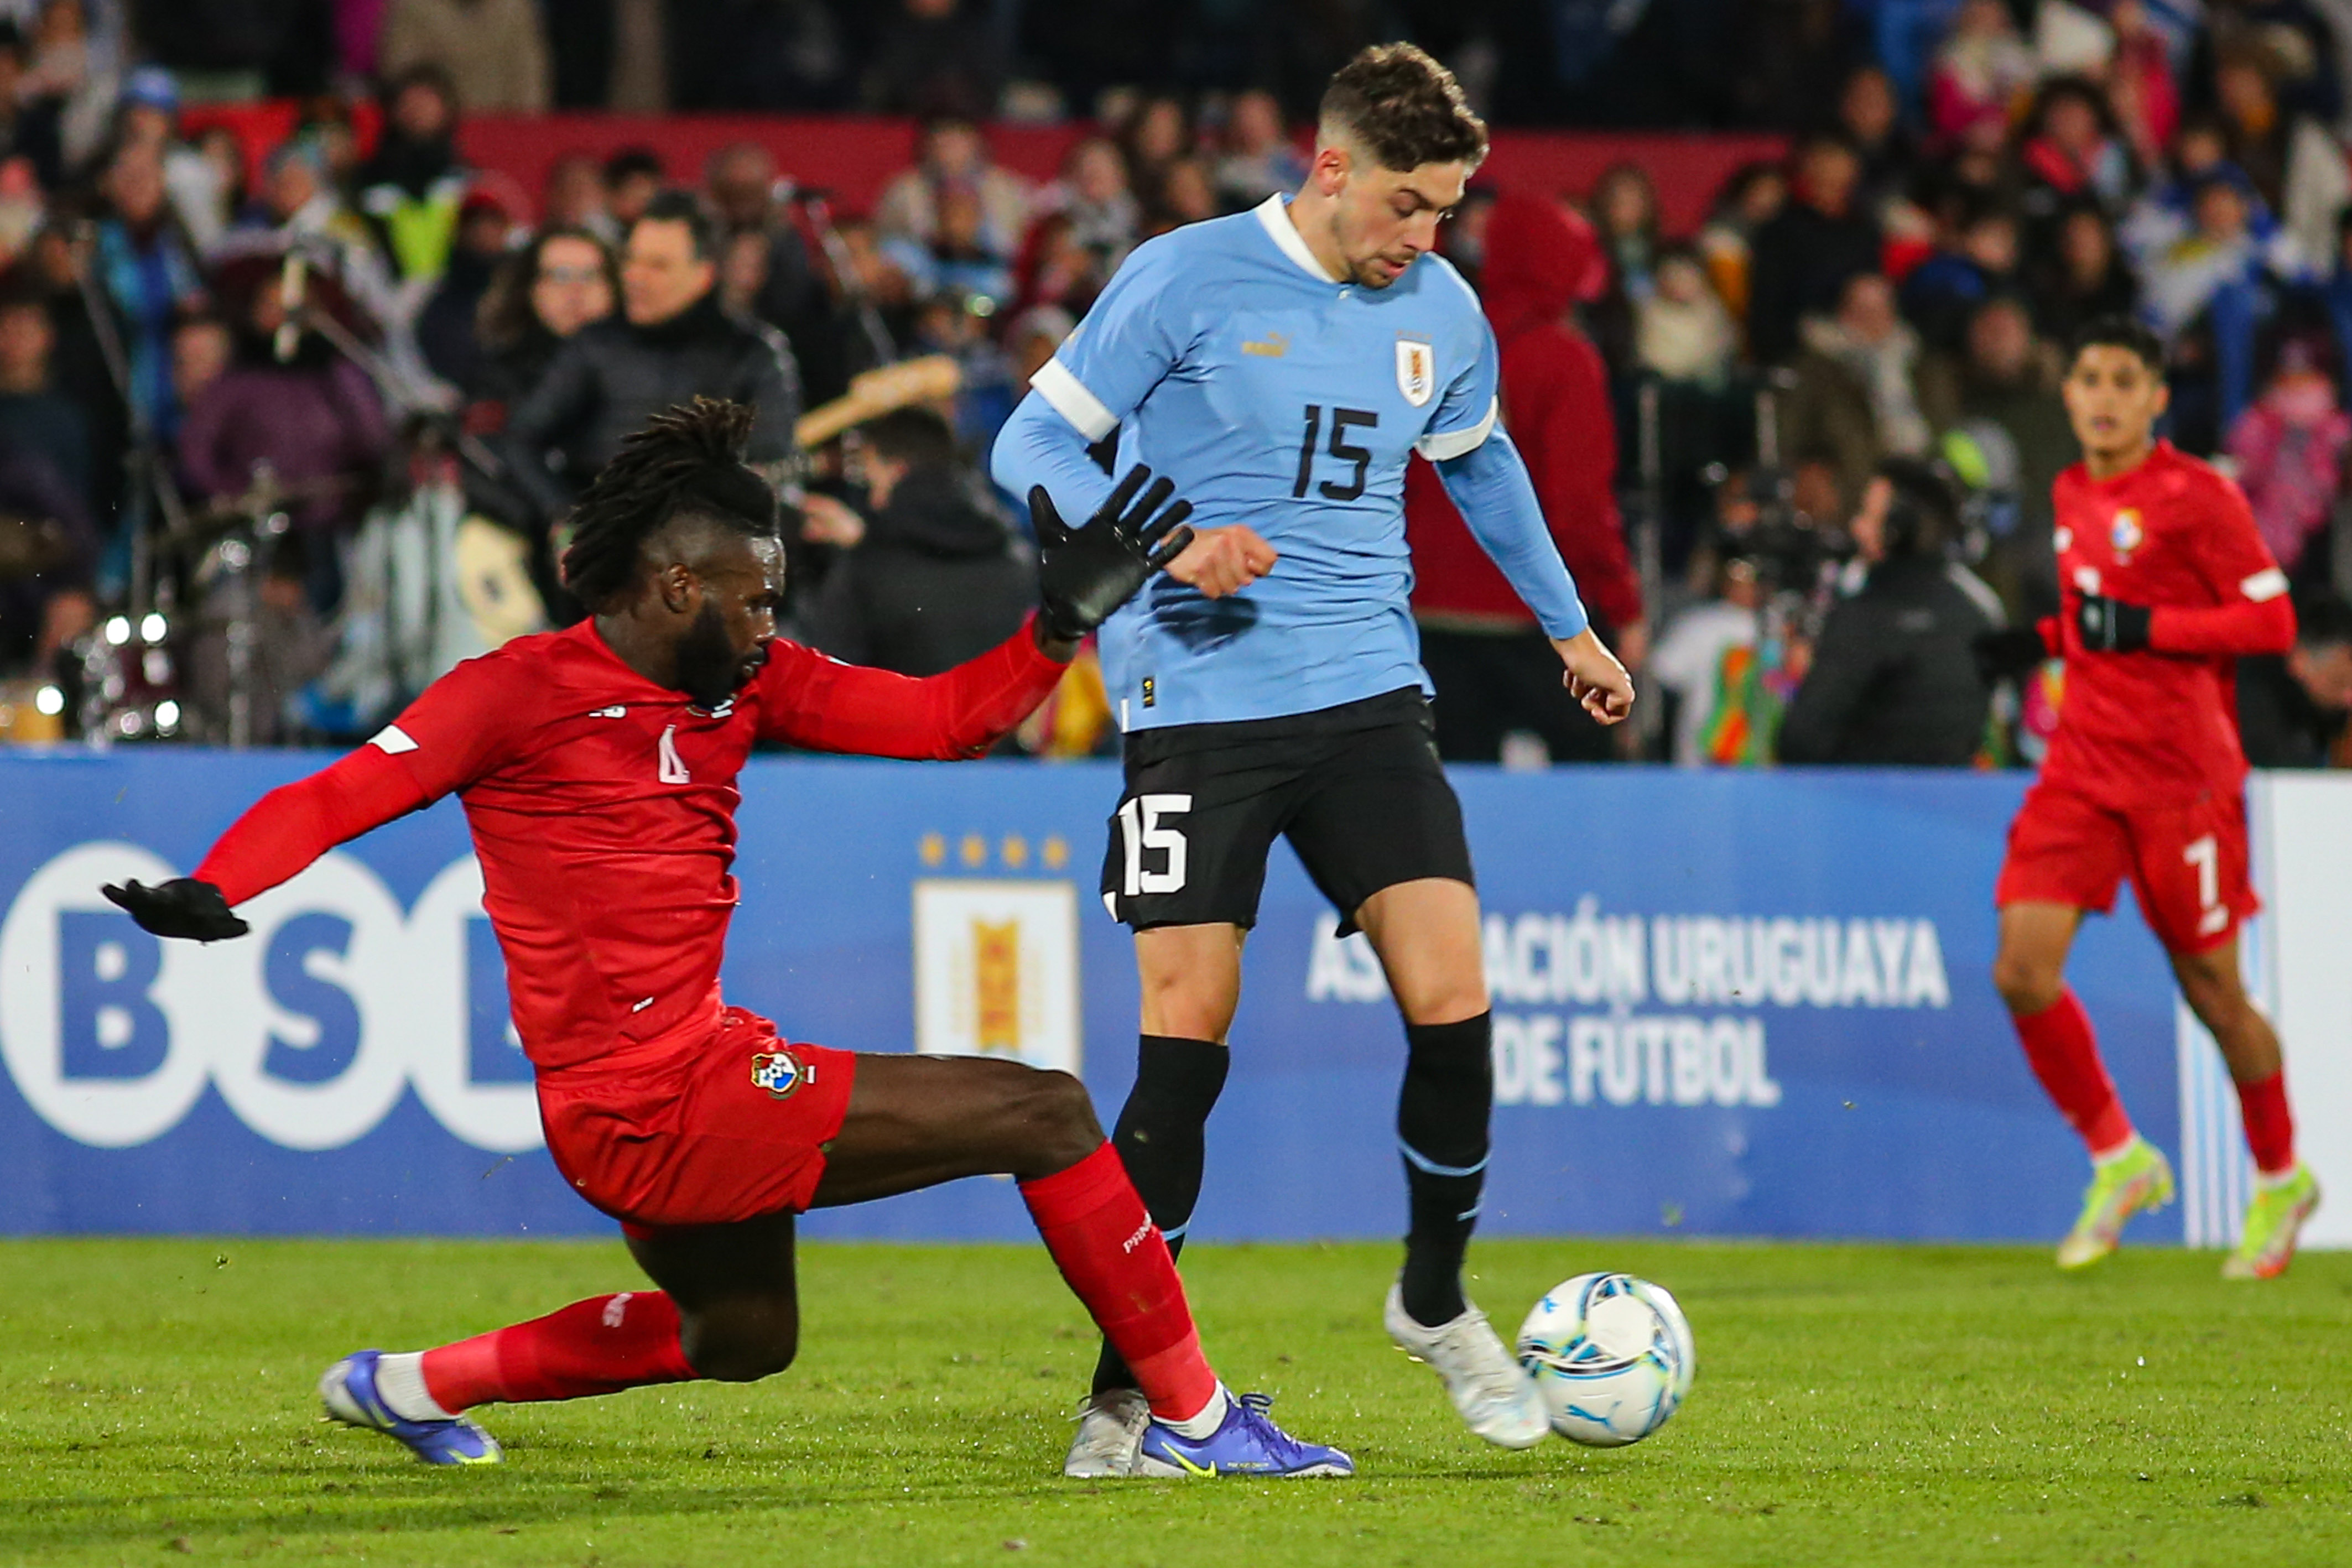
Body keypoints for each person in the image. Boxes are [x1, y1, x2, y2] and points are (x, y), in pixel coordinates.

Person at [100, 398, 1350, 1480]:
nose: (769, 624)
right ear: (674, 586)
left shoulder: (748, 681)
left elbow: (944, 722)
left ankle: (414, 1385)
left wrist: (1057, 627)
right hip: (659, 1104)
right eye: (754, 598)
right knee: (1049, 1113)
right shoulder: (514, 692)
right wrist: (218, 882)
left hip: (673, 1089)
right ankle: (1192, 1416)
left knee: (742, 1339)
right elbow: (335, 794)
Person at [992, 43, 1633, 1474]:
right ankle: (1129, 1392)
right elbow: (1029, 441)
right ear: (1327, 168)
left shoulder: (1441, 309)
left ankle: (1430, 1296)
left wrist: (1566, 630)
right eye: (1407, 205)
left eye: (1447, 213)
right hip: (1191, 704)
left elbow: (1477, 464)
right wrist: (1169, 540)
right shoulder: (1184, 274)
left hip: (1363, 695)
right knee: (1184, 1040)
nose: (1425, 238)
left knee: (1452, 992)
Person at [1980, 317, 2318, 1280]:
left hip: (2181, 780)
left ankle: (2279, 1176)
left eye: (2123, 381)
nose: (2101, 396)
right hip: (2083, 766)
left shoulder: (2198, 494)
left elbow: (2270, 620)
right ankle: (2119, 1157)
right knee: (2019, 969)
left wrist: (2144, 625)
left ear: (2156, 397)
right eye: (2087, 377)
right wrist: (2042, 637)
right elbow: (2100, 615)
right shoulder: (2071, 488)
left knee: (2213, 993)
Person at [1402, 190, 1642, 764]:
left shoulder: (1434, 341)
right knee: (1593, 789)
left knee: (1455, 796)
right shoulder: (1563, 358)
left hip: (1425, 613)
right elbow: (1579, 506)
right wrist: (1621, 604)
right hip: (1530, 618)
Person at [499, 191, 802, 541]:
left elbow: (774, 463)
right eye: (632, 260)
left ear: (703, 274)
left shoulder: (753, 354)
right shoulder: (596, 344)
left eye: (658, 265)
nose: (635, 277)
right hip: (604, 551)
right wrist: (565, 515)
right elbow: (522, 440)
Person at [1777, 457, 2000, 765]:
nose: (1856, 527)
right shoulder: (1974, 613)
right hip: (1950, 805)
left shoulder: (1864, 619)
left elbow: (1800, 741)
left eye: (1868, 516)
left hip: (1861, 805)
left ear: (1898, 530)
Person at [806, 405, 1033, 675]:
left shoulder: (867, 573)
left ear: (897, 470)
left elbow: (835, 682)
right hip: (1009, 716)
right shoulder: (1016, 555)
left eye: (873, 480)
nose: (872, 500)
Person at [2237, 591, 2352, 766]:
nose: (2349, 699)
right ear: (2300, 660)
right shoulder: (2255, 723)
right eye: (2340, 683)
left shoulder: (2323, 719)